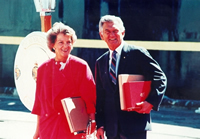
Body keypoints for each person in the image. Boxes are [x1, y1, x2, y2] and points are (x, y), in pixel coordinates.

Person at [95, 15, 167, 139]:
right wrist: (100, 125)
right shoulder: (100, 62)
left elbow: (160, 77)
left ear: (122, 32)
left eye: (115, 31)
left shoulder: (137, 53)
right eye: (107, 32)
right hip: (112, 129)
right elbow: (100, 96)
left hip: (135, 125)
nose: (112, 35)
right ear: (102, 36)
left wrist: (150, 102)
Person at [32, 22, 96, 139]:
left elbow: (90, 98)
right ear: (53, 45)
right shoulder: (43, 69)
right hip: (49, 127)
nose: (65, 46)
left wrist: (92, 121)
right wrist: (37, 132)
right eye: (61, 42)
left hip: (73, 127)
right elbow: (39, 104)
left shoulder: (81, 66)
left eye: (68, 42)